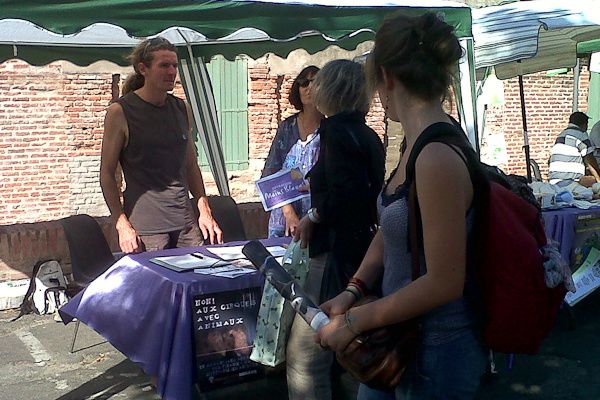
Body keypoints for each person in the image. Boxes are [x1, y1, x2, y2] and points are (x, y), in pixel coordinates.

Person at [317, 13, 488, 399]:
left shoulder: (436, 157)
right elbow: (392, 226)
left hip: (435, 352)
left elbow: (444, 281)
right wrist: (353, 291)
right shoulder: (414, 145)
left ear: (388, 78)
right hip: (399, 341)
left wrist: (353, 323)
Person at [288, 59, 385, 400]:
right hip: (361, 249)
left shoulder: (335, 132)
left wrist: (312, 216)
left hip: (335, 253)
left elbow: (346, 194)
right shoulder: (368, 133)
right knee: (351, 355)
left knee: (306, 358)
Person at [100, 37, 223, 253]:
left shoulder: (181, 109)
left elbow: (191, 165)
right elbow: (107, 174)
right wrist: (122, 225)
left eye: (174, 65)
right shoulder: (120, 112)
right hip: (146, 230)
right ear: (143, 69)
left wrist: (204, 209)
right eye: (164, 65)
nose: (171, 71)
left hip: (186, 225)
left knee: (198, 283)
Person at [262, 66, 323, 238]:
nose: (309, 87)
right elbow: (270, 173)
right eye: (304, 83)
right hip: (283, 220)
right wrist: (288, 212)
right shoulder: (287, 128)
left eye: (315, 82)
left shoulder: (329, 129)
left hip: (315, 219)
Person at [548, 111, 600, 187]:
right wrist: (598, 179)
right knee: (592, 181)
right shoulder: (581, 135)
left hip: (554, 181)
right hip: (572, 182)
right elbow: (590, 160)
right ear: (584, 124)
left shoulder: (561, 136)